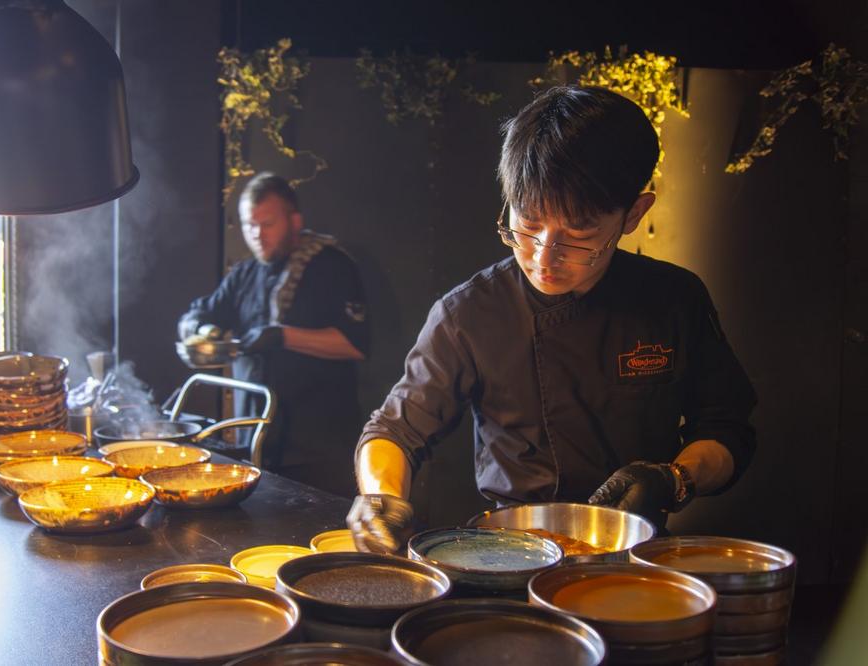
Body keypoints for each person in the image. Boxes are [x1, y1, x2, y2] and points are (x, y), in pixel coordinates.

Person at [347, 85, 757, 553]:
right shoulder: (470, 312)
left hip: (638, 550)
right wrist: (378, 497)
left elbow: (726, 428)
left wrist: (674, 477)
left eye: (578, 233)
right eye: (528, 222)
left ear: (635, 213)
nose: (544, 255)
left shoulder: (675, 298)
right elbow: (396, 429)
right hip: (506, 553)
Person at [178, 173, 369, 497]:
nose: (257, 236)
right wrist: (201, 330)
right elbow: (201, 312)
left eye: (267, 225)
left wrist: (281, 337)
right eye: (249, 226)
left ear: (294, 221)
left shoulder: (332, 267)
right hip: (255, 443)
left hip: (316, 450)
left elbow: (354, 344)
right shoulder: (244, 274)